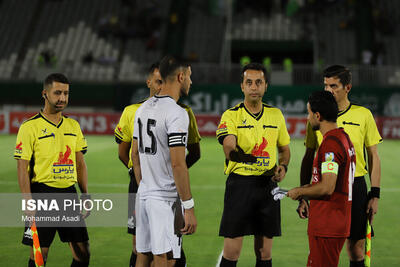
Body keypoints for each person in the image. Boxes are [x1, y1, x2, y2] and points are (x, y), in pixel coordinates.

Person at [114, 62, 201, 267]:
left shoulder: (143, 108)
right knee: (165, 257)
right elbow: (178, 165)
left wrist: (145, 185)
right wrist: (188, 207)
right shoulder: (177, 113)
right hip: (164, 197)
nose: (191, 80)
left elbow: (134, 155)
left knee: (143, 254)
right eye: (189, 76)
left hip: (144, 193)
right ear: (180, 77)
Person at [299, 65, 382, 267]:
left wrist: (375, 194)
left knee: (356, 249)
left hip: (356, 186)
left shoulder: (363, 115)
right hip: (326, 189)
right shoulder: (316, 118)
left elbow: (373, 156)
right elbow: (308, 156)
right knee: (325, 247)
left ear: (348, 87)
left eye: (334, 86)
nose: (329, 90)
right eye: (326, 85)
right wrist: (303, 194)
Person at [216, 63, 290, 267]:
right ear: (242, 86)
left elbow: (285, 150)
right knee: (232, 252)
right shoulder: (231, 115)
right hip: (240, 185)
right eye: (249, 82)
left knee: (264, 252)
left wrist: (283, 167)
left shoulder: (276, 115)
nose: (254, 87)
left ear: (266, 86)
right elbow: (229, 147)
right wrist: (243, 157)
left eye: (259, 82)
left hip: (268, 186)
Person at [14, 73, 90, 267]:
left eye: (66, 93)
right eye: (57, 93)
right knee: (40, 256)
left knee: (83, 255)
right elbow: (22, 167)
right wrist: (27, 200)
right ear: (45, 94)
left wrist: (86, 194)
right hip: (42, 194)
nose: (62, 98)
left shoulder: (73, 125)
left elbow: (80, 163)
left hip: (69, 194)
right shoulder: (29, 127)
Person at [288, 90, 356, 267]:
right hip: (335, 222)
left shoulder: (330, 145)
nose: (308, 118)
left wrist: (299, 192)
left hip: (328, 224)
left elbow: (327, 187)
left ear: (318, 115)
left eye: (309, 113)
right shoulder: (344, 137)